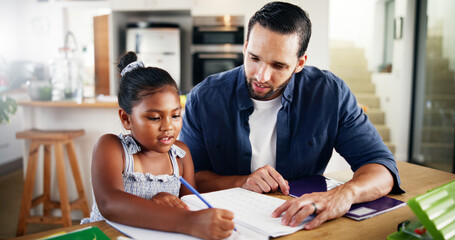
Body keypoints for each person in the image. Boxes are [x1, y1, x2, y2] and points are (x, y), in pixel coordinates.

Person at [180, 1, 404, 230]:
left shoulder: (329, 93)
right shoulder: (204, 98)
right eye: (254, 58)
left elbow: (381, 167)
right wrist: (241, 182)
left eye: (278, 65)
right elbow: (188, 179)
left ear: (300, 63)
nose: (261, 76)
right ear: (246, 47)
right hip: (227, 224)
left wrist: (343, 195)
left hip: (301, 225)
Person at [82, 52, 235, 239]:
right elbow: (110, 203)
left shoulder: (180, 155)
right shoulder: (112, 148)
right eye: (155, 117)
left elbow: (189, 205)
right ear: (126, 119)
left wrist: (175, 203)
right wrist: (189, 220)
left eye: (176, 115)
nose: (168, 126)